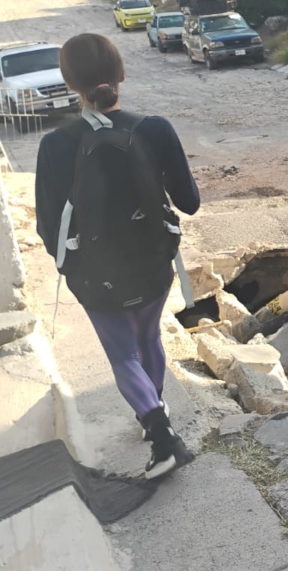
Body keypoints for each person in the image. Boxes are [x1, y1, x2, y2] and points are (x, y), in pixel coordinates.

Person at [35, 34, 200, 480]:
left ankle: (162, 435)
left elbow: (47, 227)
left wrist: (74, 263)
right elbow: (190, 202)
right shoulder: (155, 127)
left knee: (122, 355)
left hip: (95, 275)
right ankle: (153, 413)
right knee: (148, 341)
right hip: (152, 263)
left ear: (71, 83)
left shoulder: (54, 145)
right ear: (121, 74)